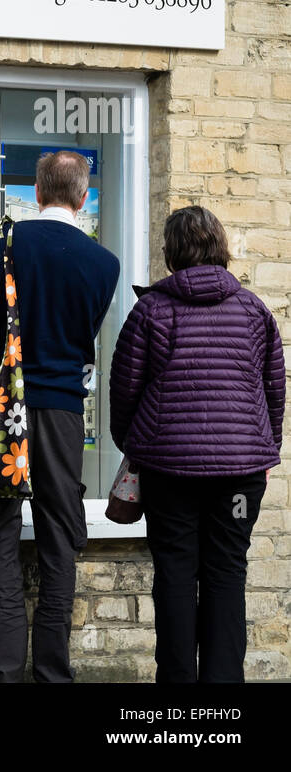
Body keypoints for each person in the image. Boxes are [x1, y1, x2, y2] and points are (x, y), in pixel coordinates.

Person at [0, 150, 120, 682]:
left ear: (37, 192)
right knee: (59, 536)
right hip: (64, 413)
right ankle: (51, 673)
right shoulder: (103, 264)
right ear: (83, 197)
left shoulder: (0, 244)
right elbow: (82, 335)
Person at [109, 206, 284, 683]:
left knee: (174, 575)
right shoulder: (253, 310)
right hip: (240, 477)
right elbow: (273, 389)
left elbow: (123, 392)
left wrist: (139, 446)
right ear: (220, 248)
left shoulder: (151, 311)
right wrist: (265, 451)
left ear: (171, 253)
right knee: (228, 573)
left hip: (168, 473)